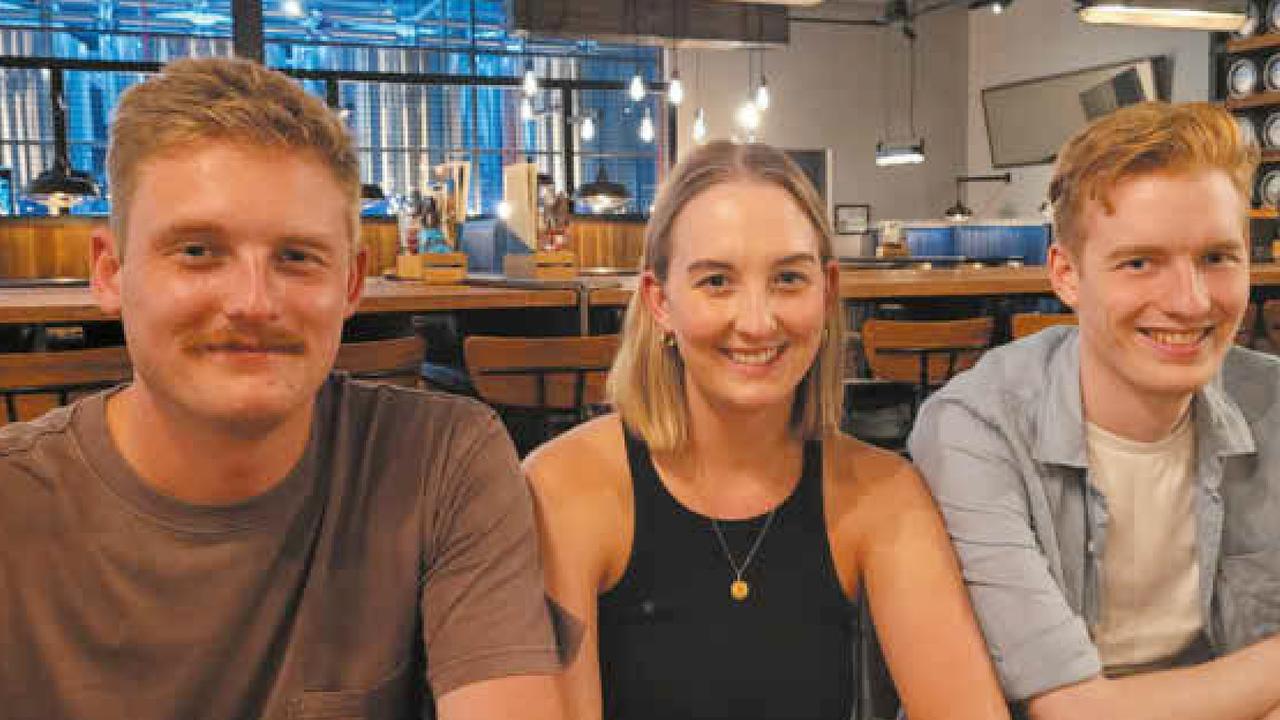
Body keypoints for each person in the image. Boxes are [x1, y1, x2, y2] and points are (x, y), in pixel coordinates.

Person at [0, 57, 568, 719]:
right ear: (110, 273)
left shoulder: (441, 461)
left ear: (351, 284)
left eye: (296, 257)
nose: (252, 301)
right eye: (197, 251)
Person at [525, 141, 1009, 720]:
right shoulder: (561, 490)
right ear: (659, 302)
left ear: (827, 293)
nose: (757, 322)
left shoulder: (884, 494)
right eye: (716, 282)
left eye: (787, 279)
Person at [909, 101, 1280, 720]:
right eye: (1140, 262)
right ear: (1066, 274)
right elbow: (1071, 711)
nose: (1190, 303)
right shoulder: (976, 430)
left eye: (1216, 258)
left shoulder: (1272, 403)